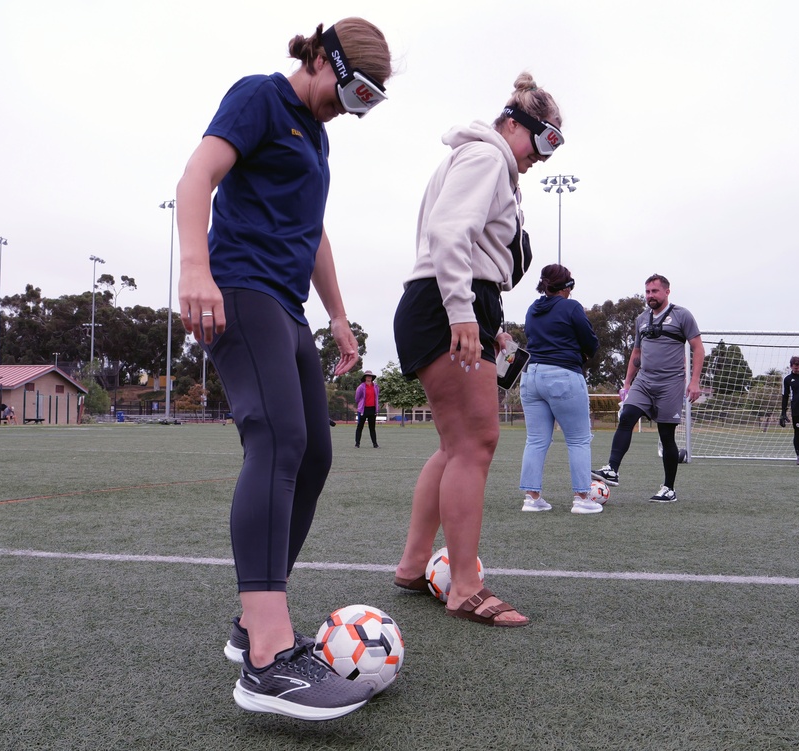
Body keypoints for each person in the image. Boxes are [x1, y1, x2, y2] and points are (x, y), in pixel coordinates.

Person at [175, 18, 392, 721]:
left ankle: (251, 621)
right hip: (239, 287)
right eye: (354, 90)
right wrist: (194, 268)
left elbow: (314, 230)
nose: (352, 108)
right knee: (277, 439)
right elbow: (197, 175)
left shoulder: (320, 139)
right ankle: (267, 656)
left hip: (289, 306)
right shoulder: (261, 98)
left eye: (370, 102)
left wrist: (335, 314)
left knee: (317, 454)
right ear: (325, 60)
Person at [391, 72, 565, 627]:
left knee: (454, 444)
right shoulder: (488, 158)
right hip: (446, 301)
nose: (544, 156)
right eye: (544, 140)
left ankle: (414, 565)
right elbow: (449, 234)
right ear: (514, 124)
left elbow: (472, 249)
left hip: (453, 300)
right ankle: (465, 586)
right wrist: (464, 311)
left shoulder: (485, 162)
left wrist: (484, 321)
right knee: (476, 441)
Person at [592, 274, 704, 502]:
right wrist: (626, 383)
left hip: (670, 383)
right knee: (627, 417)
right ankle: (612, 468)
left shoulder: (682, 316)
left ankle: (669, 488)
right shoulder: (642, 319)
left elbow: (698, 348)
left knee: (666, 435)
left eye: (654, 291)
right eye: (647, 292)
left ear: (666, 292)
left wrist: (694, 381)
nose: (650, 296)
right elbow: (637, 353)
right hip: (644, 381)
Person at [518, 264, 600, 514]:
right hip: (562, 375)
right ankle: (582, 498)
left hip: (531, 376)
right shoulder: (571, 307)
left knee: (536, 440)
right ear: (567, 287)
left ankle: (532, 499)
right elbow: (591, 343)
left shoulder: (533, 308)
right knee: (578, 439)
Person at [354, 370, 380, 448]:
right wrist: (361, 405)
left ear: (372, 378)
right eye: (367, 376)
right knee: (360, 427)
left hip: (372, 410)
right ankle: (357, 444)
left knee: (372, 428)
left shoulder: (376, 387)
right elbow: (357, 398)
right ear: (365, 377)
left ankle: (375, 444)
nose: (369, 377)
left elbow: (377, 397)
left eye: (370, 376)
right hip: (363, 410)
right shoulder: (361, 387)